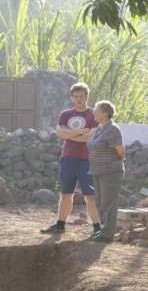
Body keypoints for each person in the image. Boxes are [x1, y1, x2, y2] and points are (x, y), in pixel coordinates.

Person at [41, 82, 101, 236]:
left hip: (86, 160)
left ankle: (97, 229)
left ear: (87, 97)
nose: (79, 99)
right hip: (67, 159)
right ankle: (60, 225)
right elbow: (60, 133)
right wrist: (82, 131)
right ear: (72, 98)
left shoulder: (94, 114)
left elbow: (90, 137)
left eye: (82, 96)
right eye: (76, 96)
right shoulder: (65, 114)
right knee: (66, 194)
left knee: (90, 196)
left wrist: (72, 133)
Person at [86, 101, 125, 243]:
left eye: (97, 110)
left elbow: (121, 151)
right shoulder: (100, 129)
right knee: (100, 202)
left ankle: (108, 234)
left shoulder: (112, 129)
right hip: (97, 171)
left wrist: (112, 161)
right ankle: (104, 229)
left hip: (110, 171)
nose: (94, 112)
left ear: (105, 113)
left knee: (108, 202)